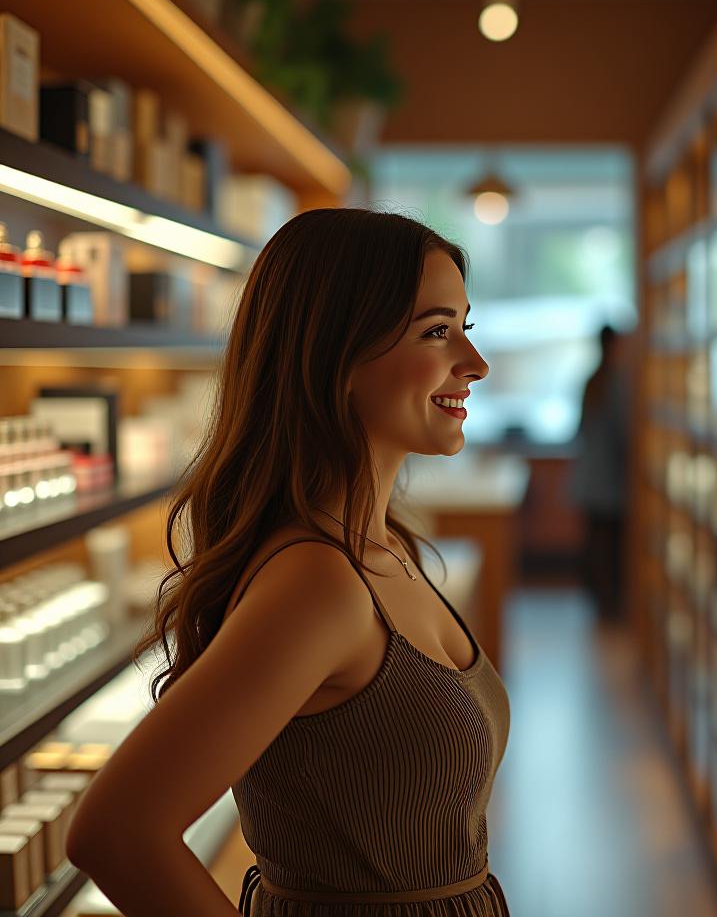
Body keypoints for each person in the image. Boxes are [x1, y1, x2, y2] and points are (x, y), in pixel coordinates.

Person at [64, 209, 511, 917]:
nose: (474, 364)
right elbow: (116, 833)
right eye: (436, 331)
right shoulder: (319, 583)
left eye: (465, 327)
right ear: (336, 355)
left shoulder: (385, 546)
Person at [567, 323, 631, 624]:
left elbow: (579, 429)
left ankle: (598, 598)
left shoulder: (592, 380)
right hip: (610, 481)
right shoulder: (617, 382)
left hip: (589, 477)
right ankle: (610, 604)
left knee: (596, 540)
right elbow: (624, 433)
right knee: (612, 543)